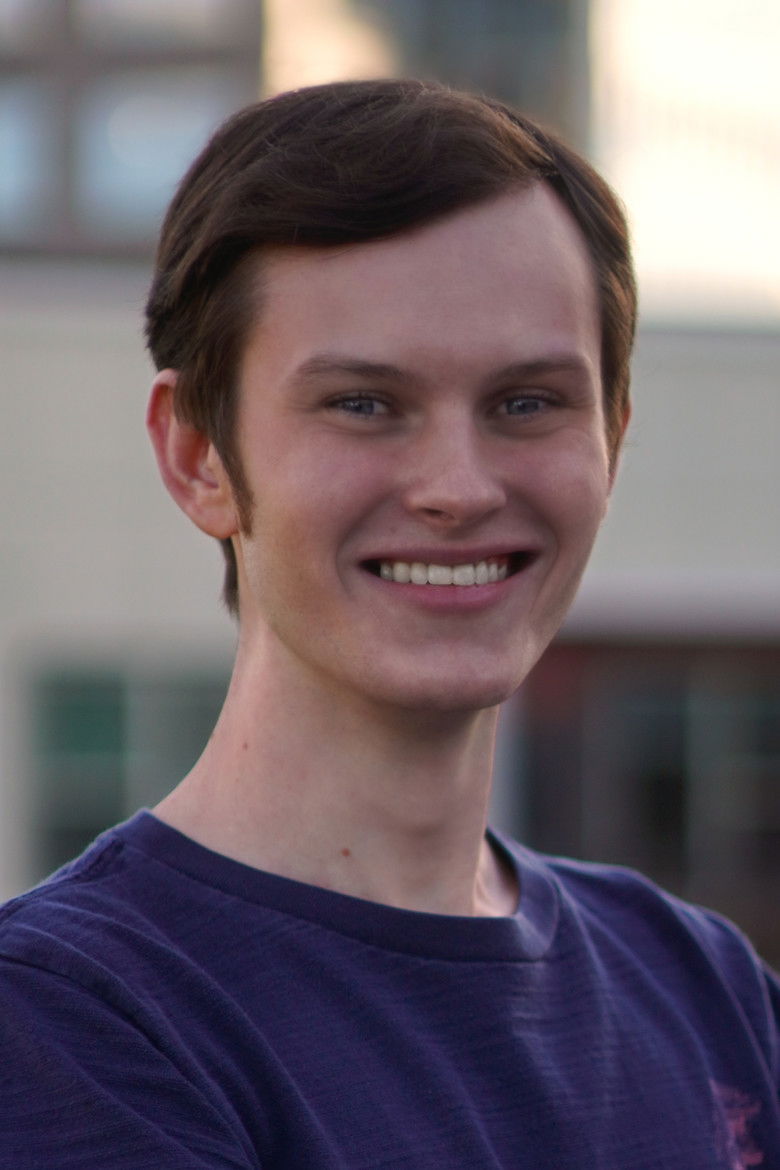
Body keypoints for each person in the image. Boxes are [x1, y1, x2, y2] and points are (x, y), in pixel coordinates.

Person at [0, 79, 777, 1169]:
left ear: (612, 435)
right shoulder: (70, 1024)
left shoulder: (705, 990)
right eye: (364, 404)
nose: (458, 488)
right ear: (198, 455)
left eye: (527, 403)